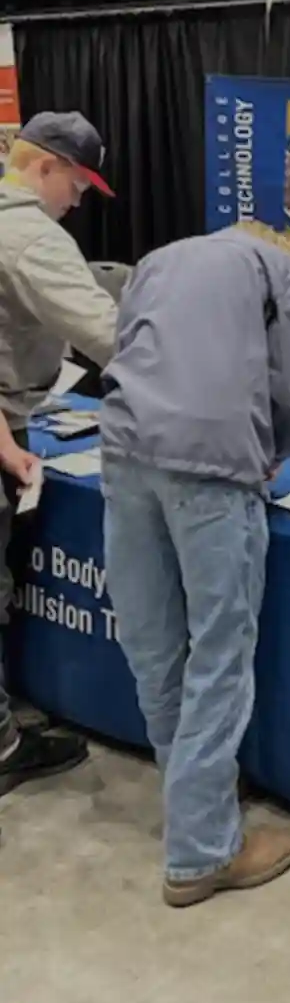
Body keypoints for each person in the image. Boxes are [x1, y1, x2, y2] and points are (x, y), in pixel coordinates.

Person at [99, 222, 290, 908]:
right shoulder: (284, 270)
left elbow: (124, 346)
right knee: (220, 652)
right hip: (211, 462)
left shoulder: (157, 257)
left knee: (151, 639)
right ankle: (202, 852)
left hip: (125, 448)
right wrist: (275, 448)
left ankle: (193, 795)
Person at [0, 111, 118, 792]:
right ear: (45, 167)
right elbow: (108, 332)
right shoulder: (28, 236)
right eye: (75, 186)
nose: (77, 204)